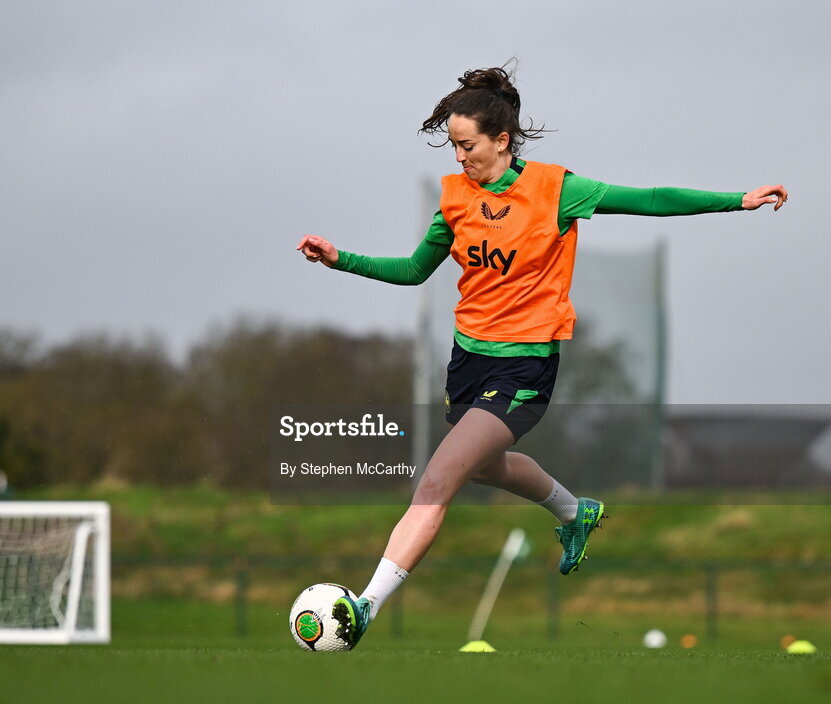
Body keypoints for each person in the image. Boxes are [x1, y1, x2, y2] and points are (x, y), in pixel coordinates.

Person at [296, 64, 788, 649]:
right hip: (468, 361)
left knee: (437, 479)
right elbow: (412, 271)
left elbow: (650, 198)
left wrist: (738, 199)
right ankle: (574, 511)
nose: (459, 158)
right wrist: (340, 258)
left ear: (502, 140)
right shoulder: (456, 199)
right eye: (452, 146)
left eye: (467, 145)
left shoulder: (556, 189)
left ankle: (366, 606)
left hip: (524, 368)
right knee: (483, 467)